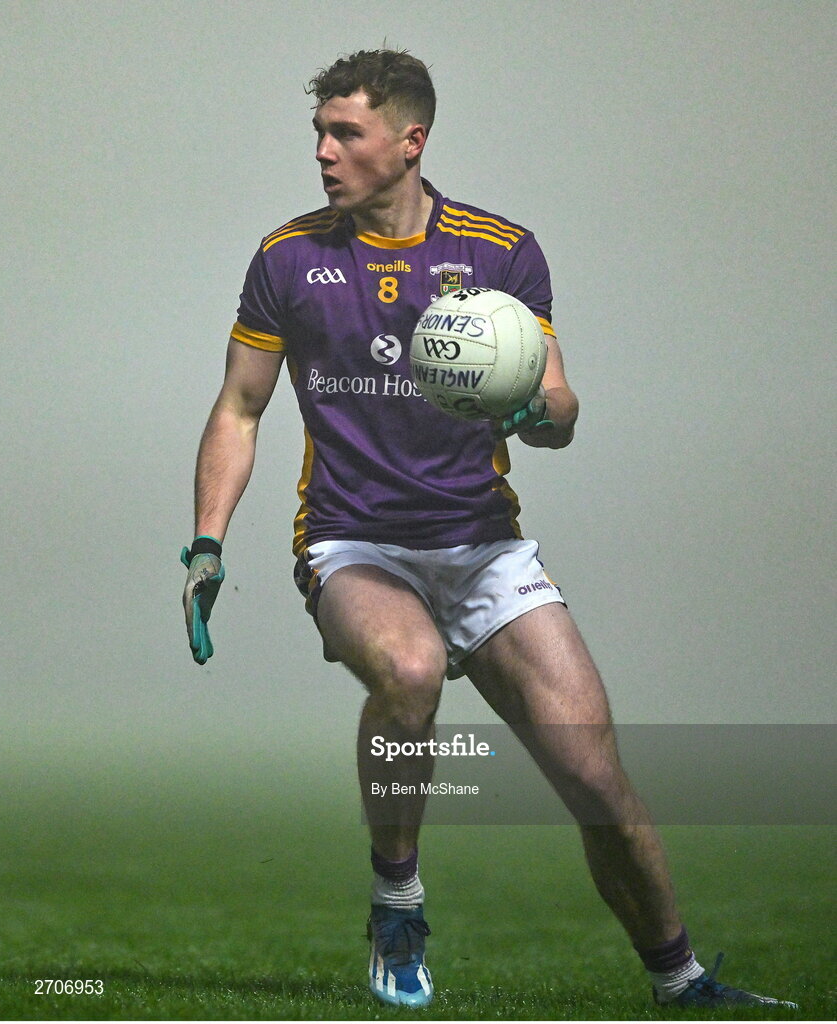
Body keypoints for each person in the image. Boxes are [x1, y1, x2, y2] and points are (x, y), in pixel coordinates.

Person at [181, 49, 796, 1011]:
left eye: (345, 133)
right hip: (352, 543)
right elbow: (240, 408)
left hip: (483, 545)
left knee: (595, 778)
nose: (324, 153)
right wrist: (206, 542)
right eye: (319, 133)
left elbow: (558, 408)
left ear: (409, 141)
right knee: (410, 670)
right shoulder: (287, 258)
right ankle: (397, 900)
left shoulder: (501, 252)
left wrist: (528, 413)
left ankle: (681, 981)